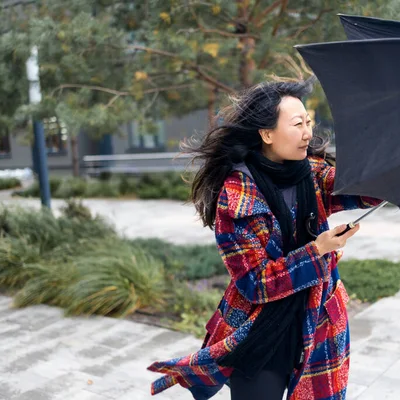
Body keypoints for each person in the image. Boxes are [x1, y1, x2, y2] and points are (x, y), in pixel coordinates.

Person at [148, 79, 382, 400]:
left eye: (308, 123)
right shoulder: (238, 198)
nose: (308, 133)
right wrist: (318, 250)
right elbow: (256, 283)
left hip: (317, 322)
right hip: (262, 332)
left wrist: (390, 164)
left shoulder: (311, 173)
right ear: (267, 134)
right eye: (297, 124)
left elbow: (362, 190)